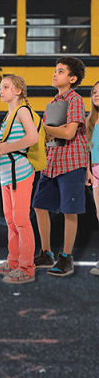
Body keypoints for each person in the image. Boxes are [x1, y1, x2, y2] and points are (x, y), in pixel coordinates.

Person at [33, 56, 90, 277]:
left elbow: (68, 133)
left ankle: (66, 257)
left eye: (61, 71)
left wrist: (46, 127)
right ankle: (46, 252)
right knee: (39, 205)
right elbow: (53, 138)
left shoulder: (74, 100)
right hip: (53, 162)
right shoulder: (55, 103)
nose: (55, 74)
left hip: (71, 163)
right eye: (55, 70)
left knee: (69, 210)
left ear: (72, 78)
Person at [0, 74, 39, 284]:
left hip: (20, 172)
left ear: (18, 91)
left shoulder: (21, 111)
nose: (1, 91)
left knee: (21, 220)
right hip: (7, 174)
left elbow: (32, 138)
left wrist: (6, 147)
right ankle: (13, 262)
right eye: (1, 87)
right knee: (11, 221)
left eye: (6, 87)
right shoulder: (8, 116)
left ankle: (26, 268)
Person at [86, 81, 99, 276]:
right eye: (94, 92)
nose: (97, 95)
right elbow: (88, 149)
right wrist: (88, 170)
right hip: (96, 171)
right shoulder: (91, 120)